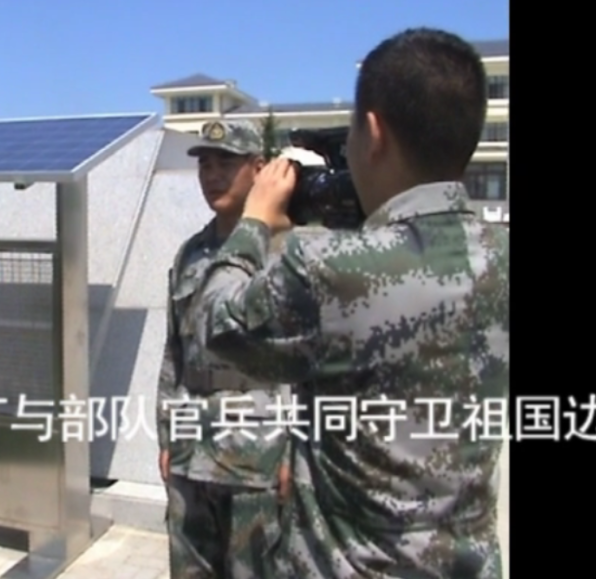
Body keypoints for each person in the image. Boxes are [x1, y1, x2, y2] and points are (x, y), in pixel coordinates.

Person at [188, 28, 509, 579]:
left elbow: (215, 324)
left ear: (374, 133)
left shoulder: (329, 269)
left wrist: (254, 223)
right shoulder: (499, 256)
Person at [156, 119, 294, 579]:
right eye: (205, 165)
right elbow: (173, 353)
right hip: (191, 449)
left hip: (258, 455)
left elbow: (308, 367)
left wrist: (296, 453)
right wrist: (166, 437)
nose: (212, 175)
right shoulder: (190, 253)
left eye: (226, 163)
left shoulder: (288, 252)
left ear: (258, 168)